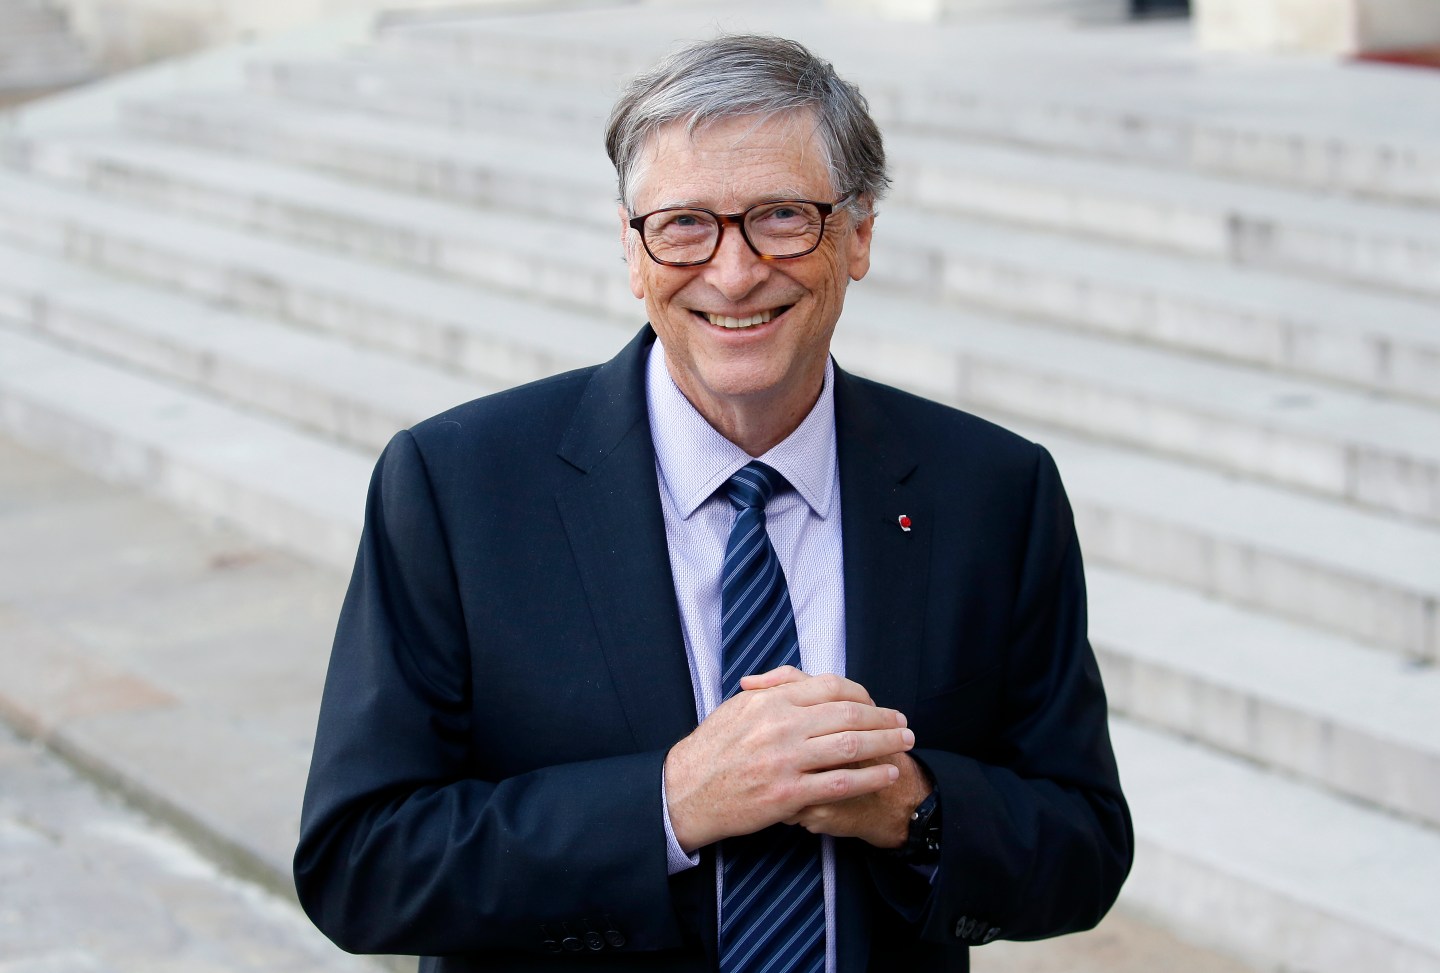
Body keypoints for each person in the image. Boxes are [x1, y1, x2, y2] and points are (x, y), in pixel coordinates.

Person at [294, 33, 1131, 973]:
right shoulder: (456, 486)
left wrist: (911, 807)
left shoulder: (992, 491)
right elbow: (358, 864)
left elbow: (1084, 845)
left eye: (781, 217)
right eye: (685, 223)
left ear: (858, 235)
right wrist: (671, 801)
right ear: (630, 245)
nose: (733, 274)